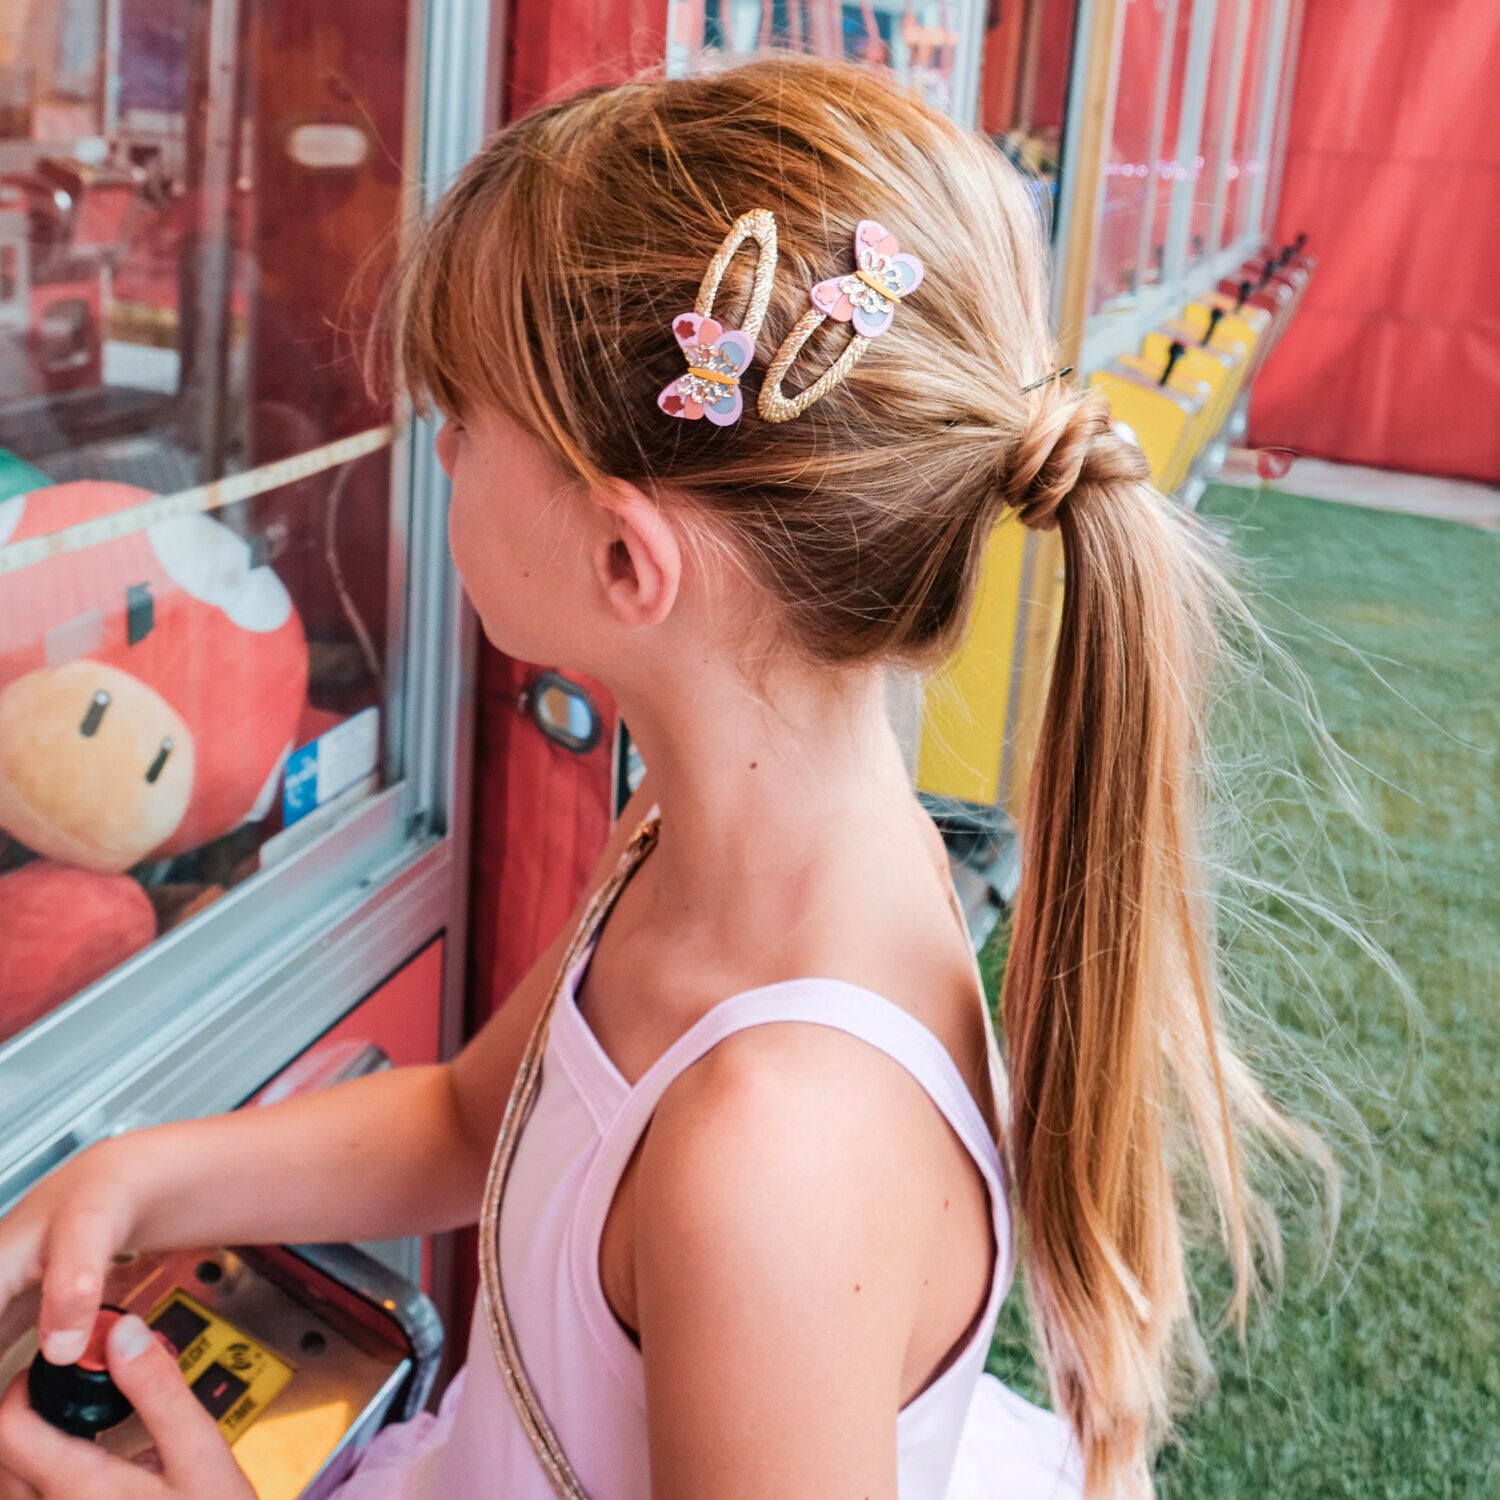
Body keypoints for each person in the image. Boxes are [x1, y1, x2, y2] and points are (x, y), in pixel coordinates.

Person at [0, 54, 1313, 1500]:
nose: (435, 447)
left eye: (463, 416)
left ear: (628, 560)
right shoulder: (704, 826)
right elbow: (466, 1120)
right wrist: (130, 1178)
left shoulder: (774, 1165)